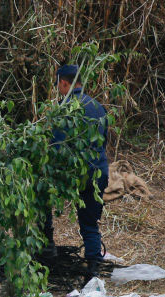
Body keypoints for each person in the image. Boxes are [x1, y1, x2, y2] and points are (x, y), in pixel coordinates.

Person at [47, 64, 109, 277]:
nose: (58, 89)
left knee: (41, 197)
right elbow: (103, 141)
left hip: (75, 173)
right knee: (89, 222)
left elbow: (57, 146)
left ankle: (46, 249)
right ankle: (94, 268)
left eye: (58, 85)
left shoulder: (65, 108)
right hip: (99, 171)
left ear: (64, 83)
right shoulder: (98, 106)